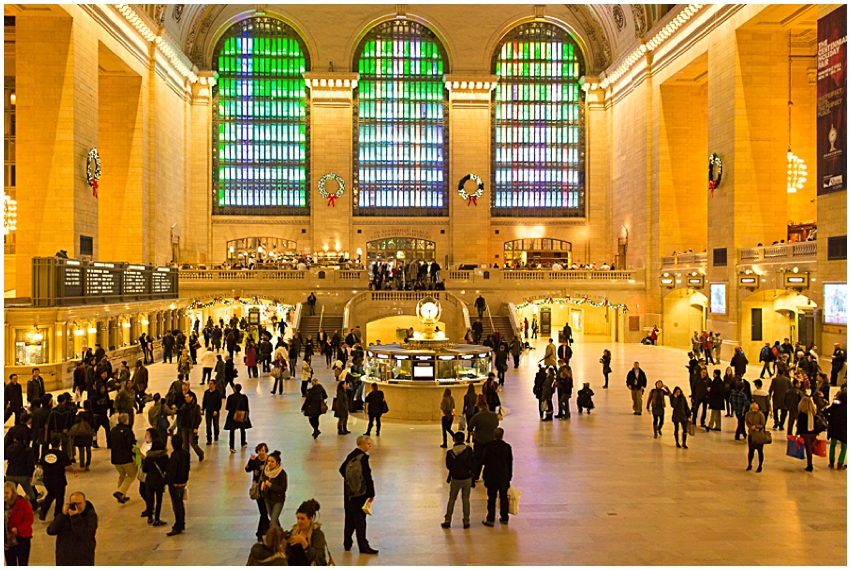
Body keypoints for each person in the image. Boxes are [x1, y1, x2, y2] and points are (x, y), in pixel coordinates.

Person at [339, 436, 378, 555]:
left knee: (349, 519)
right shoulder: (363, 458)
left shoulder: (351, 455)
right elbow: (367, 476)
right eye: (368, 444)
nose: (369, 446)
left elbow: (341, 469)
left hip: (349, 493)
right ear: (362, 445)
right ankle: (363, 546)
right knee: (360, 521)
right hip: (360, 494)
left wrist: (350, 482)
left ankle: (347, 543)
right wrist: (371, 493)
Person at [45, 491, 97, 565]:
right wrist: (62, 515)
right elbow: (51, 530)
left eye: (79, 503)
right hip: (64, 558)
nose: (77, 506)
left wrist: (75, 517)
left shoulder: (90, 515)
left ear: (85, 503)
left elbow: (87, 534)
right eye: (74, 504)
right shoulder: (64, 516)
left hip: (83, 558)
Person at [38, 436, 77, 521]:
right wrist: (74, 471)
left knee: (50, 495)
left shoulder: (45, 453)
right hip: (59, 479)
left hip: (47, 479)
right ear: (60, 444)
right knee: (59, 497)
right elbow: (67, 467)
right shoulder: (62, 454)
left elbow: (40, 465)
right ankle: (57, 515)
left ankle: (43, 512)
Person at [481, 427, 513, 527]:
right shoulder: (507, 447)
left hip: (491, 475)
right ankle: (504, 517)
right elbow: (509, 462)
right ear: (502, 436)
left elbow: (484, 460)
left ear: (493, 436)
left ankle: (490, 519)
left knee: (491, 497)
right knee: (503, 497)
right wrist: (509, 476)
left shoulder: (488, 446)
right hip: (503, 475)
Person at [441, 431, 473, 530]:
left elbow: (448, 466)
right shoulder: (469, 451)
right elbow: (473, 463)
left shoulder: (450, 453)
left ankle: (448, 520)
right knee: (465, 499)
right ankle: (466, 521)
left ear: (454, 439)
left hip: (455, 479)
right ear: (463, 439)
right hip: (467, 478)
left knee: (452, 499)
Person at [287, 499, 328, 566]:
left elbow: (317, 557)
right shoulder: (294, 531)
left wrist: (303, 542)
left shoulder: (317, 534)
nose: (299, 522)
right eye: (298, 518)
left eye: (302, 519)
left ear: (310, 519)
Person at [106, 413, 136, 504]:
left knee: (122, 475)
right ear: (126, 420)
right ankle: (120, 492)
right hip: (126, 458)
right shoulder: (128, 431)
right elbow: (131, 445)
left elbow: (110, 444)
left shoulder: (113, 431)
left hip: (115, 458)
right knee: (131, 475)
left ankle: (122, 495)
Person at [5, 433, 38, 511]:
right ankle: (34, 507)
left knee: (11, 493)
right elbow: (30, 463)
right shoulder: (27, 450)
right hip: (23, 474)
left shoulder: (9, 448)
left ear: (15, 439)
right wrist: (31, 475)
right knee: (30, 493)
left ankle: (9, 507)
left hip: (10, 473)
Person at [468, 401, 500, 483]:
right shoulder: (494, 416)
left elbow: (470, 427)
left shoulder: (476, 416)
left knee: (477, 459)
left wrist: (473, 435)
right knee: (490, 460)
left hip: (479, 440)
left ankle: (475, 475)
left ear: (479, 408)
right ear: (487, 407)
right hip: (491, 441)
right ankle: (488, 476)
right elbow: (496, 425)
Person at [4, 481, 34, 566]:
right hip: (7, 541)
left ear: (13, 493)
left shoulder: (23, 503)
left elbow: (29, 519)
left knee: (23, 564)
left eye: (7, 493)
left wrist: (18, 528)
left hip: (22, 539)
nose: (4, 495)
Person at [166, 434, 190, 536]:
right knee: (180, 504)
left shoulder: (175, 455)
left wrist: (167, 481)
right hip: (183, 482)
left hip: (175, 483)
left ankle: (178, 524)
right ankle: (182, 522)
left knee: (177, 506)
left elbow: (172, 471)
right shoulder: (186, 453)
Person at [246, 443, 271, 540]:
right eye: (260, 450)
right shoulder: (255, 460)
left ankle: (261, 531)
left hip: (267, 489)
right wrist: (250, 461)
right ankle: (264, 530)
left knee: (265, 511)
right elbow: (247, 469)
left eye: (263, 450)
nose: (261, 452)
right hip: (258, 489)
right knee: (263, 511)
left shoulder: (269, 460)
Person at [142, 437, 169, 527]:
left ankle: (150, 517)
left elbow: (145, 469)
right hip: (159, 481)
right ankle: (157, 519)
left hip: (149, 480)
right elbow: (167, 469)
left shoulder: (148, 457)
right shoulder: (164, 457)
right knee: (159, 500)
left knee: (150, 500)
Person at [260, 450, 287, 528]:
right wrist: (263, 483)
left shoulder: (282, 473)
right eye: (268, 461)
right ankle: (281, 535)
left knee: (272, 522)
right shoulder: (265, 471)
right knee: (274, 520)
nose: (269, 463)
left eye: (272, 461)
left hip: (278, 500)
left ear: (277, 463)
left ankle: (276, 539)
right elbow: (263, 479)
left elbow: (283, 489)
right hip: (267, 499)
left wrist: (270, 485)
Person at [796, 392, 821, 472]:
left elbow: (800, 425)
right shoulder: (814, 413)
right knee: (810, 447)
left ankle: (810, 464)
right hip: (813, 433)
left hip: (805, 433)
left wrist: (797, 433)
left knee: (808, 449)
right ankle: (810, 463)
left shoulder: (802, 414)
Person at [176, 392, 205, 462]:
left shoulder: (196, 407)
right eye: (185, 397)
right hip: (184, 427)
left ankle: (200, 453)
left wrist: (196, 427)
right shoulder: (184, 406)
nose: (185, 398)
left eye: (187, 397)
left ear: (191, 397)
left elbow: (198, 418)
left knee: (192, 442)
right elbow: (180, 412)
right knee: (185, 444)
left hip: (191, 428)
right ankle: (186, 458)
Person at [224, 383, 251, 452]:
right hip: (241, 415)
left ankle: (232, 446)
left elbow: (227, 407)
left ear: (234, 389)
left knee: (232, 431)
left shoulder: (230, 397)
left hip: (232, 416)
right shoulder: (244, 397)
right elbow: (246, 407)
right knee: (242, 429)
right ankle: (243, 443)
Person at [826, 388, 847, 469]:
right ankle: (840, 463)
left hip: (834, 428)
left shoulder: (835, 405)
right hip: (844, 429)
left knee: (833, 445)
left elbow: (825, 411)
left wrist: (830, 419)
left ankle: (831, 462)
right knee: (844, 446)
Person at [72, 401, 95, 471]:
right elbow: (94, 425)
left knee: (81, 450)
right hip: (88, 433)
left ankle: (82, 465)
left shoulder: (81, 414)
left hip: (81, 434)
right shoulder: (91, 415)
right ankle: (88, 465)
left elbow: (75, 422)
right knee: (88, 449)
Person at [745, 402, 766, 472]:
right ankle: (749, 464)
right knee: (751, 450)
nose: (754, 409)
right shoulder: (748, 414)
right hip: (751, 434)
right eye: (753, 408)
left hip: (759, 434)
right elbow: (747, 422)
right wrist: (751, 427)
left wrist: (757, 427)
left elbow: (763, 424)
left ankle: (760, 466)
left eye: (755, 408)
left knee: (760, 451)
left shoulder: (761, 415)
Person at [201, 380, 223, 445]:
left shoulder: (218, 393)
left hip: (215, 411)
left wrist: (216, 410)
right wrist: (202, 409)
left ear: (214, 384)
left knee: (216, 425)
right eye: (209, 383)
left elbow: (219, 403)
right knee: (208, 425)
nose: (210, 385)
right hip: (208, 411)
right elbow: (204, 401)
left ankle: (216, 435)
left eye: (211, 384)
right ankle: (209, 439)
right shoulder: (206, 392)